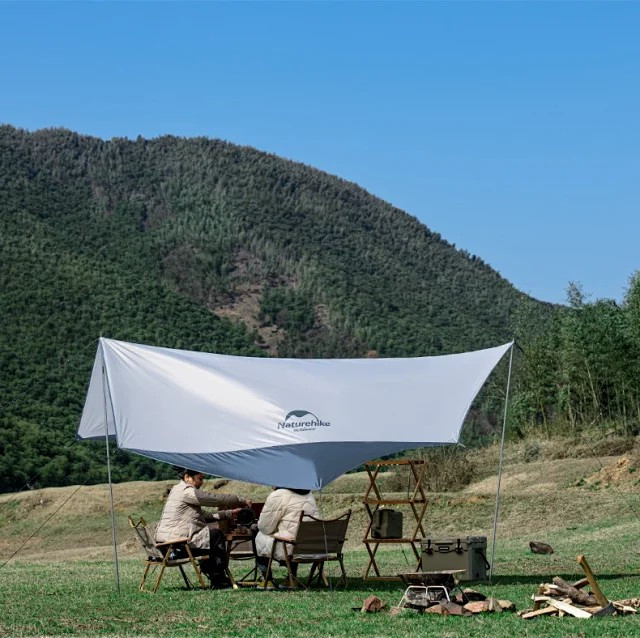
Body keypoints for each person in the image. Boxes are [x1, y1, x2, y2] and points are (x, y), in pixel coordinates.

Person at [155, 468, 251, 589]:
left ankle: (212, 574)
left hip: (166, 545)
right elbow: (214, 498)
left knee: (210, 539)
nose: (202, 482)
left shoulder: (176, 490)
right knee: (216, 535)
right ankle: (218, 578)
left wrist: (229, 513)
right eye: (200, 478)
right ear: (187, 477)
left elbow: (204, 516)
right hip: (176, 546)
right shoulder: (187, 492)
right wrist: (240, 500)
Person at [254, 487, 318, 589]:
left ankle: (267, 579)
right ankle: (291, 578)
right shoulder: (309, 494)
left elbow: (265, 527)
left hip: (289, 547)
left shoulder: (278, 495)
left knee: (258, 534)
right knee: (294, 535)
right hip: (312, 546)